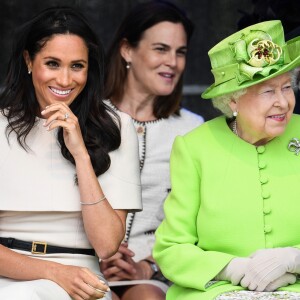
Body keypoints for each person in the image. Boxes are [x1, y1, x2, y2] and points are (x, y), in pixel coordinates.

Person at [0, 7, 142, 300]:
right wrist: (53, 272)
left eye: (77, 66)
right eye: (52, 64)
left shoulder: (118, 127)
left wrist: (80, 154)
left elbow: (106, 246)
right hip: (9, 275)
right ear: (29, 61)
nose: (65, 80)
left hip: (82, 278)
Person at [153, 20, 300, 300]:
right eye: (268, 92)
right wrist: (232, 268)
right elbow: (171, 248)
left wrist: (294, 259)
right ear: (233, 101)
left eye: (286, 87)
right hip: (216, 292)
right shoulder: (194, 148)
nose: (282, 102)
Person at [100, 1, 204, 299]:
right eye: (161, 49)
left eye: (180, 52)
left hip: (154, 269)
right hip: (84, 261)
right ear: (127, 50)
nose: (173, 61)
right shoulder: (87, 118)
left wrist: (149, 266)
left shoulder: (193, 128)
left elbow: (200, 220)